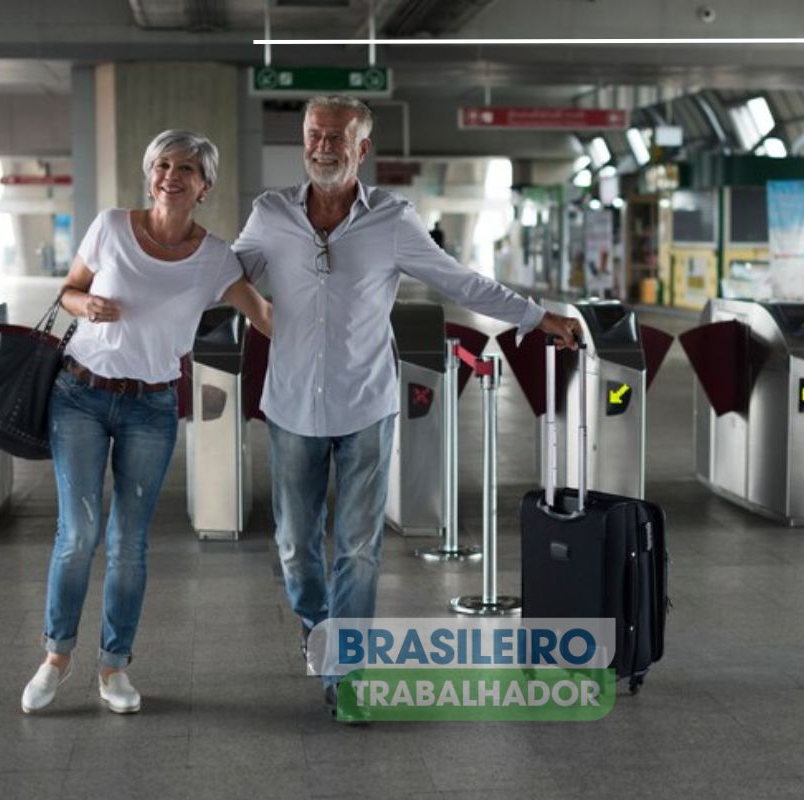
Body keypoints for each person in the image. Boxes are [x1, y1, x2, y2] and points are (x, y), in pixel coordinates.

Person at [231, 95, 581, 716]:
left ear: (361, 149)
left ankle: (349, 674)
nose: (323, 146)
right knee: (294, 544)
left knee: (359, 547)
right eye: (314, 134)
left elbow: (460, 280)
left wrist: (534, 314)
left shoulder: (393, 220)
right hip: (289, 407)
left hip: (366, 404)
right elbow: (222, 274)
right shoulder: (270, 214)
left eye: (337, 136)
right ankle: (320, 629)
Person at [20, 130, 272, 715]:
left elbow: (263, 317)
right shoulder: (110, 226)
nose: (171, 175)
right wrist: (88, 306)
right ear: (150, 173)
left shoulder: (215, 257)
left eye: (187, 168)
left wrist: (342, 341)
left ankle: (114, 668)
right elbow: (70, 291)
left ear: (204, 186)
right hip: (79, 394)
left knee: (129, 544)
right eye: (163, 164)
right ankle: (55, 659)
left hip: (151, 407)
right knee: (78, 534)